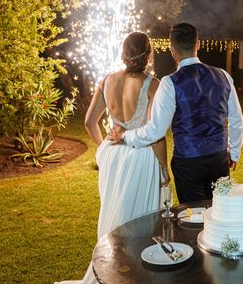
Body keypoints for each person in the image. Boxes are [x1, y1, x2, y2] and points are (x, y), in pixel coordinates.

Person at [56, 32, 169, 284]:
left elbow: (89, 122)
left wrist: (104, 149)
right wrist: (164, 169)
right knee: (140, 218)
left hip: (113, 156)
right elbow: (155, 134)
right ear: (148, 54)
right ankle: (134, 275)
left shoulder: (108, 80)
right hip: (140, 157)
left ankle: (112, 272)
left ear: (123, 52)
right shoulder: (153, 85)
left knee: (114, 211)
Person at [108, 22, 243, 203]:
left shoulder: (170, 83)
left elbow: (156, 131)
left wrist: (125, 135)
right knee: (220, 214)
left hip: (188, 164)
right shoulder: (223, 76)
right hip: (219, 159)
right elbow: (236, 120)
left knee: (193, 219)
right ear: (198, 44)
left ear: (172, 49)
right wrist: (233, 153)